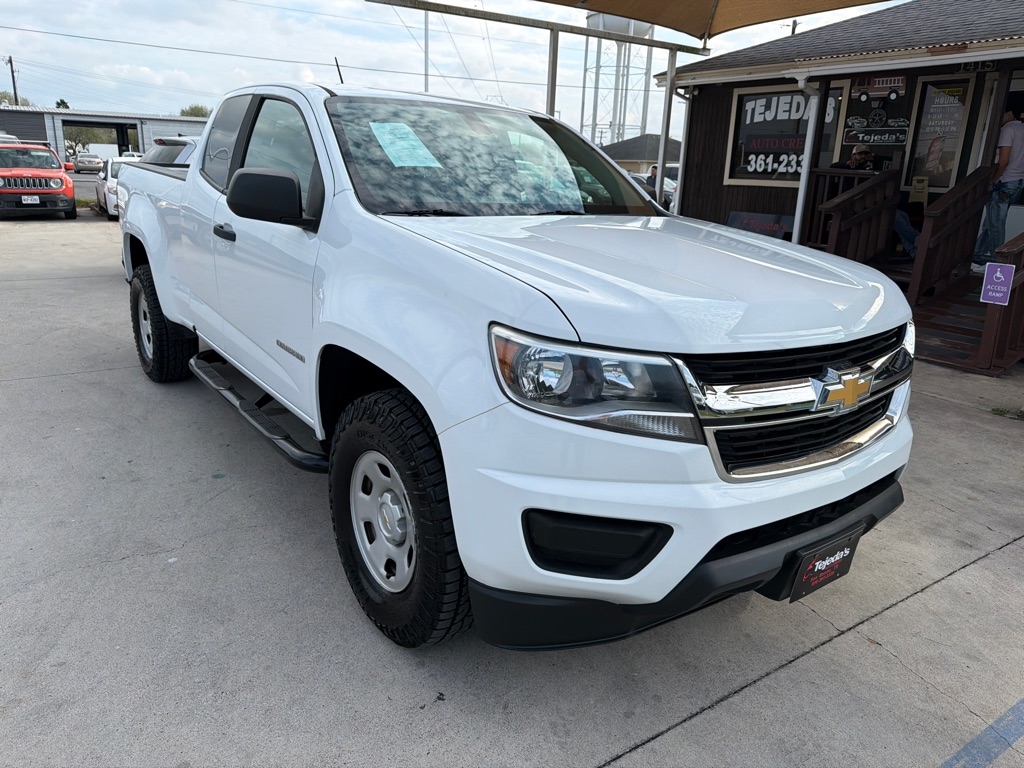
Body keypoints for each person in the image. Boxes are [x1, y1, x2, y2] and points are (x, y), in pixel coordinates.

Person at [831, 144, 920, 260]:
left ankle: (914, 251)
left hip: (875, 204)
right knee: (896, 217)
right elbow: (832, 166)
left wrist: (875, 157)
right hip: (858, 206)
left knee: (903, 216)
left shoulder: (872, 166)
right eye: (860, 154)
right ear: (853, 155)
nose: (863, 156)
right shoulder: (847, 167)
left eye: (866, 154)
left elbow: (890, 162)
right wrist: (846, 164)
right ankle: (920, 240)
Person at [973, 106, 1024, 272]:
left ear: (1009, 113)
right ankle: (978, 258)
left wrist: (992, 179)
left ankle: (998, 265)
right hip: (1018, 182)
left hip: (1004, 181)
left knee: (995, 225)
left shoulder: (1008, 128)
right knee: (991, 222)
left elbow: (1003, 161)